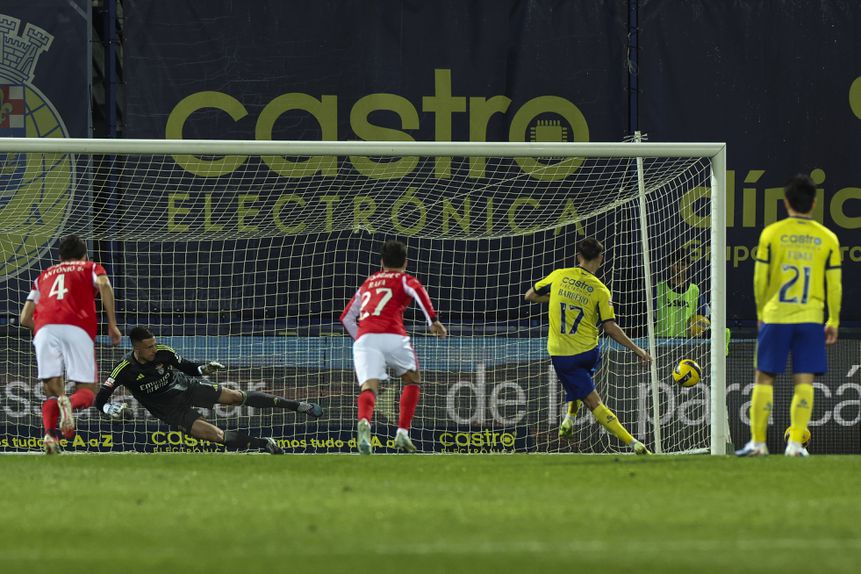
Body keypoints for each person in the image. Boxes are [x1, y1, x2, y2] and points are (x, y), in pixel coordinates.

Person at [737, 174, 841, 457]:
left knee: (764, 377)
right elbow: (834, 284)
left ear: (785, 203)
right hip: (810, 317)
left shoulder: (772, 233)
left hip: (776, 315)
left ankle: (758, 443)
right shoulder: (827, 238)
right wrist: (833, 320)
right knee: (804, 380)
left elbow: (760, 279)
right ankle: (795, 445)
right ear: (815, 203)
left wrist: (761, 313)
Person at [95, 326, 323, 454]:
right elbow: (101, 397)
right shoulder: (124, 368)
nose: (154, 349)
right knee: (216, 435)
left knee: (236, 396)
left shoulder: (163, 352)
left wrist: (205, 368)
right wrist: (107, 408)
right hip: (169, 411)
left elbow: (188, 368)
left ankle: (299, 406)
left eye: (154, 344)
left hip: (186, 387)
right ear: (136, 349)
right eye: (149, 347)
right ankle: (265, 444)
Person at [525, 237, 652, 454]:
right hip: (591, 352)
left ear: (578, 256)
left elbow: (530, 296)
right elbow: (610, 328)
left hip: (564, 355)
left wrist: (556, 297)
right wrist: (638, 350)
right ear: (601, 258)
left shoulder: (559, 275)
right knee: (580, 384)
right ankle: (569, 418)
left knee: (594, 403)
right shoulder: (601, 290)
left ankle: (635, 444)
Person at [340, 240, 447, 455]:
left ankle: (364, 423)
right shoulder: (404, 279)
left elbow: (346, 317)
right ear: (405, 262)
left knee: (369, 387)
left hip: (366, 339)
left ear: (382, 262)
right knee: (412, 379)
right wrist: (432, 321)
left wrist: (361, 339)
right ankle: (403, 432)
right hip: (393, 334)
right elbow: (419, 292)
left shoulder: (368, 282)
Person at [19, 235, 122, 455]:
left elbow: (24, 319)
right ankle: (69, 404)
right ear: (84, 254)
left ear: (59, 257)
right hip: (77, 326)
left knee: (52, 393)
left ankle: (50, 435)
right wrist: (112, 324)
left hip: (44, 328)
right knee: (86, 392)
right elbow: (104, 284)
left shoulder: (43, 275)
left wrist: (46, 326)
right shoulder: (91, 267)